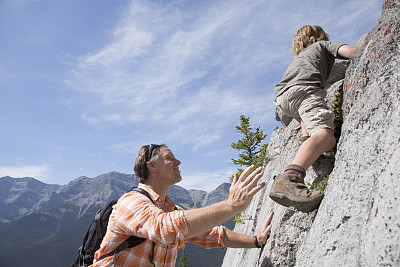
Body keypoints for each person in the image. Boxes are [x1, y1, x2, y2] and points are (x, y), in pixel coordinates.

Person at [91, 144, 274, 266]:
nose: (178, 162)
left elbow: (214, 235)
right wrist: (231, 206)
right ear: (152, 167)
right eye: (170, 158)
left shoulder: (169, 210)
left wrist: (256, 241)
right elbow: (164, 228)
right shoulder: (130, 202)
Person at [269, 25, 360, 212]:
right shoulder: (323, 45)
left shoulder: (298, 60)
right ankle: (289, 179)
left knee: (307, 122)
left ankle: (311, 147)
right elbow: (352, 52)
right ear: (321, 36)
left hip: (283, 99)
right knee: (326, 136)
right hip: (305, 89)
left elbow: (299, 110)